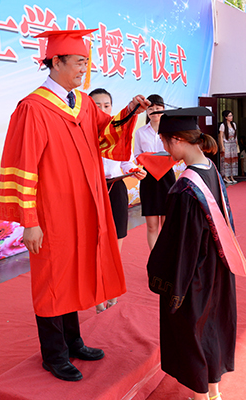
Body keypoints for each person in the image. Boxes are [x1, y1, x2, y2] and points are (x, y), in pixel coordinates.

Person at [0, 29, 151, 382]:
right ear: (56, 61)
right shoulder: (33, 108)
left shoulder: (82, 103)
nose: (85, 68)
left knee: (73, 274)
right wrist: (30, 221)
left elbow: (107, 138)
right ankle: (54, 354)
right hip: (51, 212)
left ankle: (73, 341)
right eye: (79, 62)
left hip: (83, 208)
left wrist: (130, 111)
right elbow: (23, 165)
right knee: (52, 278)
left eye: (86, 61)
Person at [146, 107, 246, 400]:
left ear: (178, 140)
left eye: (165, 142)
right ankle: (214, 393)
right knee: (212, 326)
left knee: (192, 329)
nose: (165, 148)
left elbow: (179, 245)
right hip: (218, 266)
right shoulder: (211, 169)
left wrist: (164, 275)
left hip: (195, 272)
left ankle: (200, 397)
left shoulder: (185, 188)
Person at [89, 88, 147, 313]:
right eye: (97, 105)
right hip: (92, 192)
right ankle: (97, 297)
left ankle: (111, 293)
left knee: (116, 244)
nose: (103, 109)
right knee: (95, 247)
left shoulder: (119, 131)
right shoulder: (83, 132)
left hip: (116, 190)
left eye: (106, 105)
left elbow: (126, 162)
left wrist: (134, 170)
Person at [133, 94, 176, 250]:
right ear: (146, 111)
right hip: (148, 179)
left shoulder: (171, 131)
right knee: (152, 226)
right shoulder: (140, 132)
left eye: (158, 108)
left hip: (167, 178)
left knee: (166, 224)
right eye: (151, 109)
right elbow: (137, 156)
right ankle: (155, 259)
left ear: (164, 110)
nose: (155, 112)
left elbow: (177, 153)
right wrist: (149, 159)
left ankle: (166, 258)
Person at [218, 110, 239, 184]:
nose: (231, 117)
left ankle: (232, 176)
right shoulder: (222, 125)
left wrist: (237, 144)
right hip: (226, 144)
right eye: (229, 116)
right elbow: (221, 136)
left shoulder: (234, 124)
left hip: (233, 144)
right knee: (226, 160)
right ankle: (226, 176)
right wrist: (222, 146)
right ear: (226, 117)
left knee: (233, 160)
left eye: (231, 115)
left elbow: (235, 135)